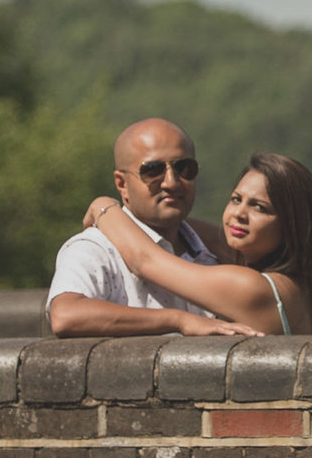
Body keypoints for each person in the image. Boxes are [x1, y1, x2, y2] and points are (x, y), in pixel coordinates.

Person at [81, 151, 312, 336]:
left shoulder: (253, 289)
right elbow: (203, 232)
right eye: (236, 199)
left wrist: (104, 207)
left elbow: (145, 261)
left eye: (259, 207)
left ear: (291, 225)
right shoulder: (302, 285)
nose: (239, 213)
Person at [47, 118, 262, 337]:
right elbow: (66, 314)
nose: (171, 182)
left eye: (184, 168)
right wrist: (177, 320)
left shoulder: (214, 253)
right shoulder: (96, 250)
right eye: (153, 170)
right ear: (122, 184)